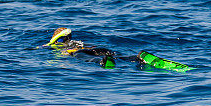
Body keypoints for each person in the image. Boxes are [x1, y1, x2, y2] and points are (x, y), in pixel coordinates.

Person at [44, 27, 195, 71]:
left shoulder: (60, 46)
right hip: (101, 48)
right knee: (121, 57)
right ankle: (140, 57)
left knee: (90, 59)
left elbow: (50, 47)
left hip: (81, 54)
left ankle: (104, 62)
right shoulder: (80, 42)